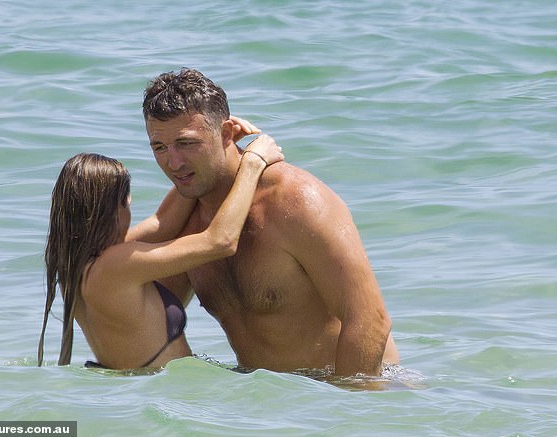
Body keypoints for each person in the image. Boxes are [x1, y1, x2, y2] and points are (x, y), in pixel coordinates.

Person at [129, 68, 400, 377]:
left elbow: (369, 319)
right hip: (267, 410)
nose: (173, 163)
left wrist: (346, 413)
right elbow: (139, 307)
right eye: (159, 148)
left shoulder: (296, 201)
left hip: (353, 389)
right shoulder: (189, 224)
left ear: (227, 134)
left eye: (187, 143)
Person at [37, 133, 283, 369]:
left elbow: (162, 223)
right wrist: (253, 163)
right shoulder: (117, 264)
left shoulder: (75, 264)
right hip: (171, 393)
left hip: (134, 390)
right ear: (112, 211)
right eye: (128, 205)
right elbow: (221, 241)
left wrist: (216, 151)